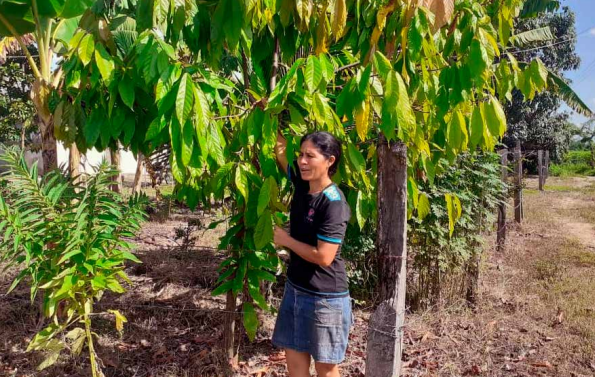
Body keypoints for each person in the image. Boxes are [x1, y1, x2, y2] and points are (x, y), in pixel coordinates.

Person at [272, 131, 352, 377]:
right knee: (294, 364)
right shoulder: (302, 185)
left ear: (330, 161)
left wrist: (286, 240)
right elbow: (280, 150)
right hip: (296, 290)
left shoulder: (334, 203)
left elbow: (324, 256)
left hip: (325, 298)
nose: (302, 161)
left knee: (326, 368)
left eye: (310, 156)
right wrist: (268, 111)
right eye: (301, 155)